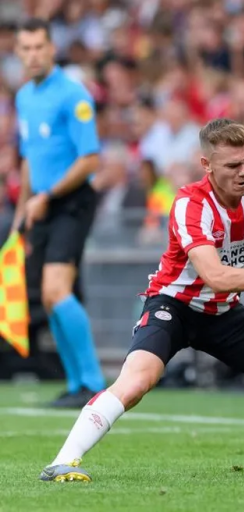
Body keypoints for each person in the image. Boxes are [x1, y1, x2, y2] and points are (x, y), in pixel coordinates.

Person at [39, 119, 244, 483]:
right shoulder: (190, 204)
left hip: (223, 313)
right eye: (232, 166)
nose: (243, 173)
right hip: (173, 307)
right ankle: (63, 462)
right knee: (137, 382)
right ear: (207, 166)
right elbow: (216, 277)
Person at [12, 18, 106, 408]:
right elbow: (30, 161)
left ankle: (95, 384)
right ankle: (75, 383)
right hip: (41, 205)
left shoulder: (73, 95)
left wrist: (46, 196)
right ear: (18, 53)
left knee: (56, 291)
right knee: (49, 299)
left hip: (71, 201)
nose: (33, 54)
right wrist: (22, 212)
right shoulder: (23, 98)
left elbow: (90, 160)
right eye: (26, 48)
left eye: (39, 47)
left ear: (52, 49)